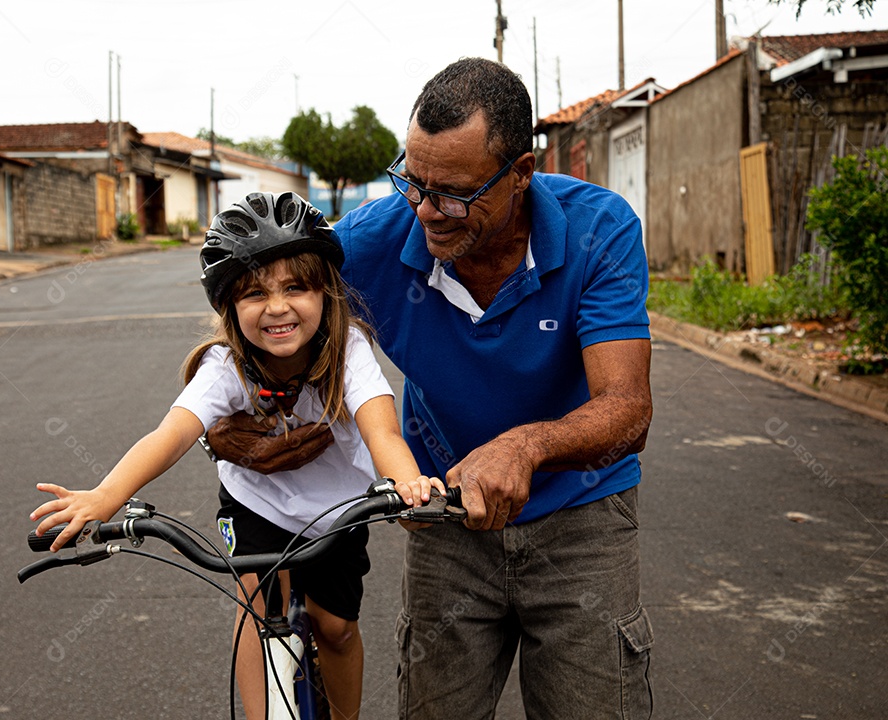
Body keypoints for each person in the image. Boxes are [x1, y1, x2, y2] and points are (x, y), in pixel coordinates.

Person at [205, 58, 655, 719]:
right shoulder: (370, 241)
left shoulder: (600, 231)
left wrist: (524, 448)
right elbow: (260, 317)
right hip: (443, 517)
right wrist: (225, 423)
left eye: (453, 193)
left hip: (581, 521)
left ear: (521, 176)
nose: (425, 211)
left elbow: (626, 410)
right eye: (411, 182)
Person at [29, 191, 444, 720]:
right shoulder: (226, 366)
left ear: (327, 292)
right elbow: (171, 434)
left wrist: (408, 485)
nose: (276, 307)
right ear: (229, 307)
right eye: (254, 293)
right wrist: (106, 496)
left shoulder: (349, 351)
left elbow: (382, 432)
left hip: (339, 509)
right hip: (258, 503)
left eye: (296, 286)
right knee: (259, 607)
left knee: (336, 628)